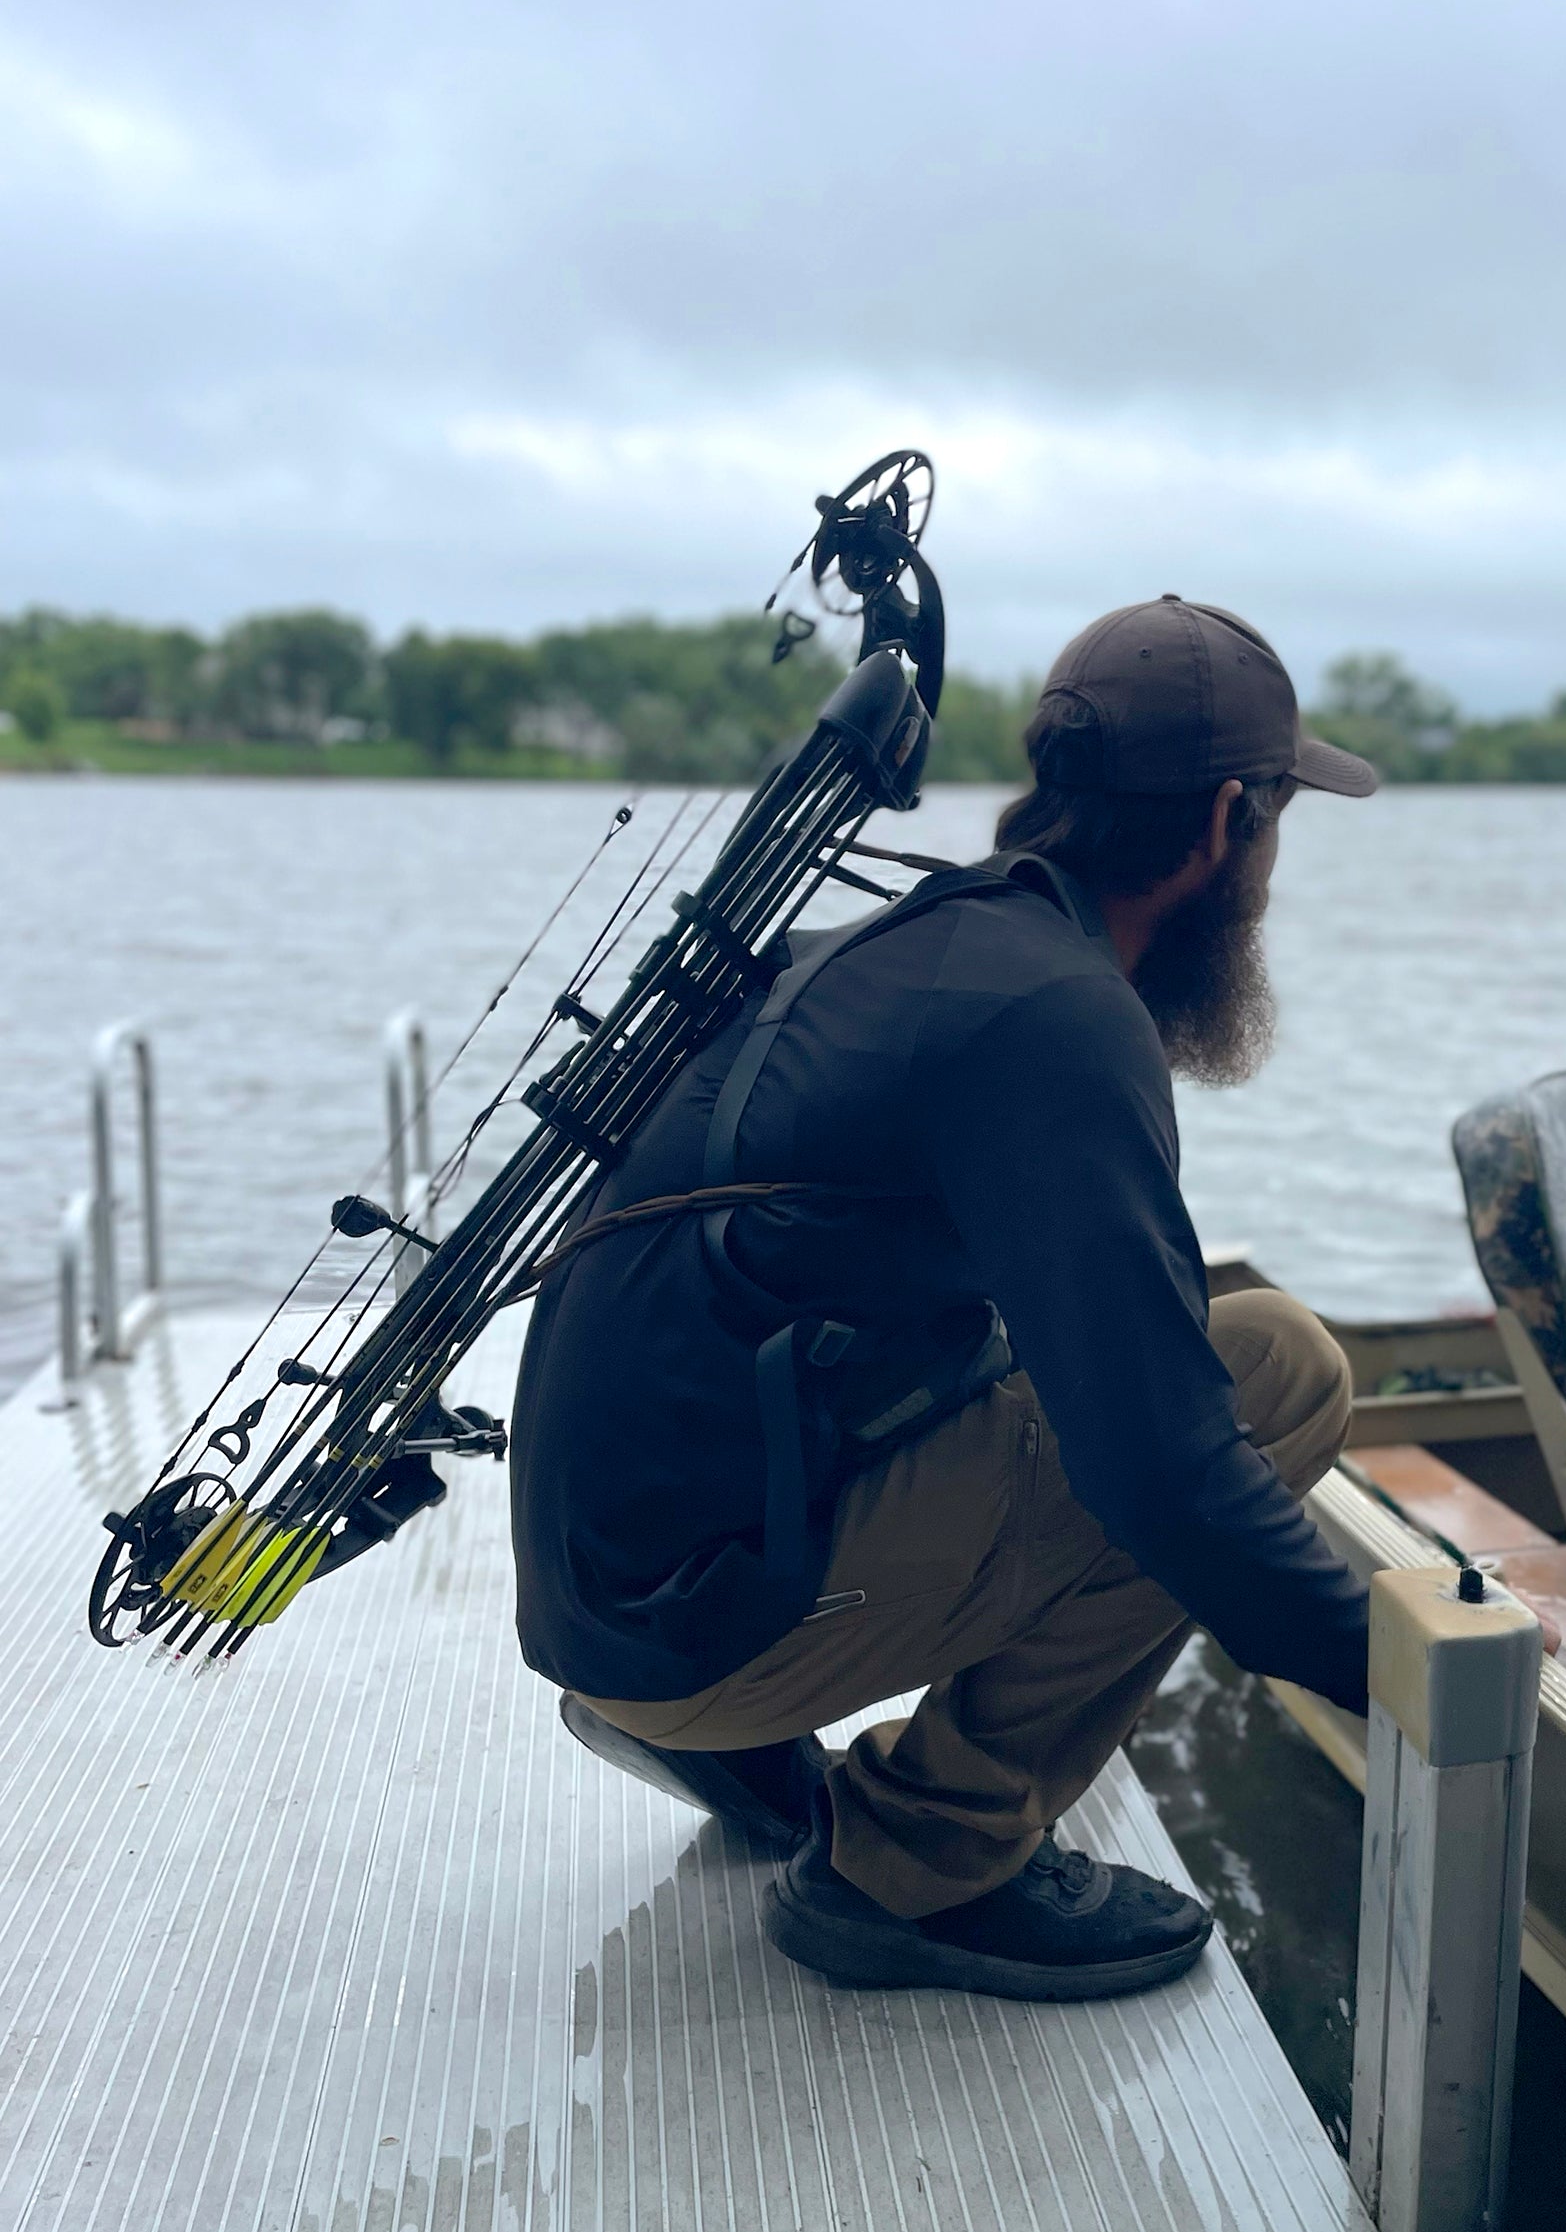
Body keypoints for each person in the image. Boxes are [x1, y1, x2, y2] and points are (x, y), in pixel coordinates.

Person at [509, 594, 1379, 2001]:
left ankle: (734, 1745)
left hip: (604, 1584)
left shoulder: (902, 945)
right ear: (1230, 823)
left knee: (1137, 1343)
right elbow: (1164, 1471)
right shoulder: (1059, 1020)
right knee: (1276, 1370)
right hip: (687, 1627)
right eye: (1277, 819)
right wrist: (1408, 1679)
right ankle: (916, 1866)